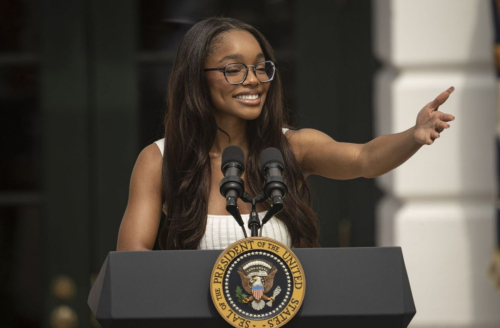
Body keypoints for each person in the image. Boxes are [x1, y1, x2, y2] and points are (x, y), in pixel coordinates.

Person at [116, 17, 455, 251]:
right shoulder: (160, 160)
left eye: (262, 67)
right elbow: (134, 264)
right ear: (196, 78)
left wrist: (414, 134)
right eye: (234, 69)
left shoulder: (289, 147)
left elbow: (363, 159)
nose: (253, 79)